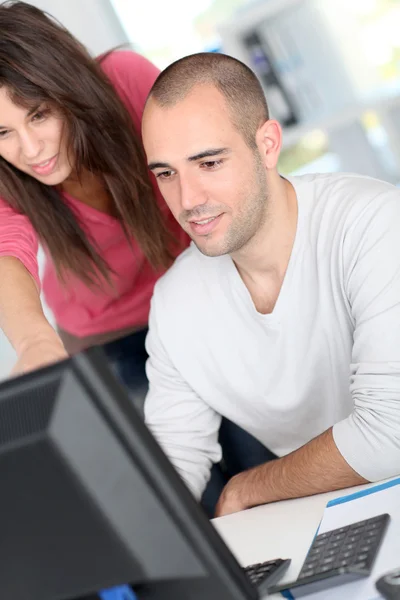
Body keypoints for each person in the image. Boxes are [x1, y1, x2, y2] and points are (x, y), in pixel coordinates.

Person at [141, 51, 400, 518]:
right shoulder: (174, 302)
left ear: (266, 144)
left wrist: (246, 488)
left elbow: (392, 431)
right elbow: (172, 463)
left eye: (210, 163)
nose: (187, 199)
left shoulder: (374, 222)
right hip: (327, 514)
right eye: (166, 173)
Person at [0, 1, 188, 398]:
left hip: (198, 290)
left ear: (67, 87)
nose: (31, 150)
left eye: (38, 115)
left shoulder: (125, 81)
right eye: (3, 133)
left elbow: (207, 166)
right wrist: (35, 341)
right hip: (107, 334)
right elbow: (6, 253)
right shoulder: (7, 179)